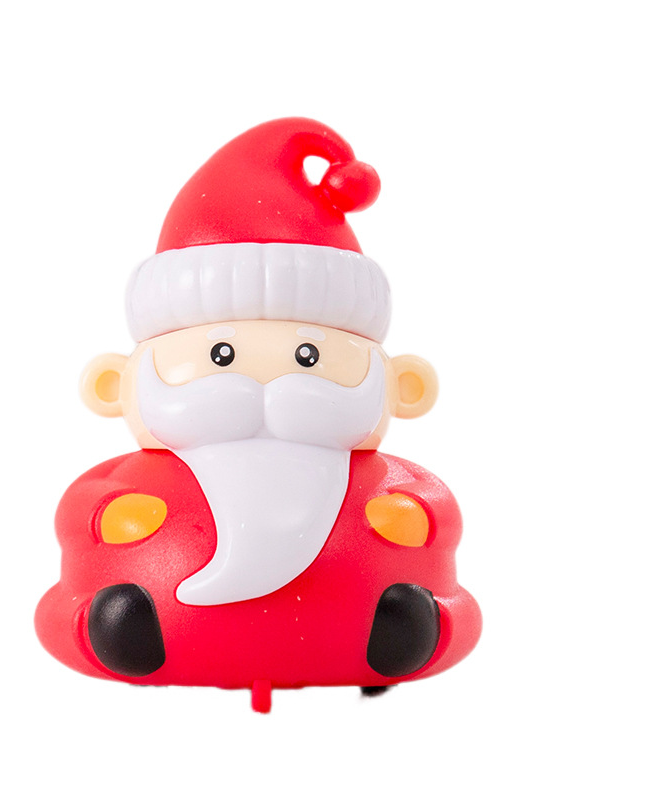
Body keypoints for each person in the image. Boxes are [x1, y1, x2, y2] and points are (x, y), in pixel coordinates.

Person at [36, 118, 481, 712]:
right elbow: (84, 516)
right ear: (112, 385)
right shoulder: (125, 475)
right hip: (160, 633)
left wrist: (414, 515)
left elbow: (434, 514)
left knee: (413, 580)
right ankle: (127, 627)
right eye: (220, 357)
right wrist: (108, 516)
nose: (264, 387)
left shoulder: (390, 479)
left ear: (407, 387)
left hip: (362, 628)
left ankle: (399, 628)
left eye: (308, 358)